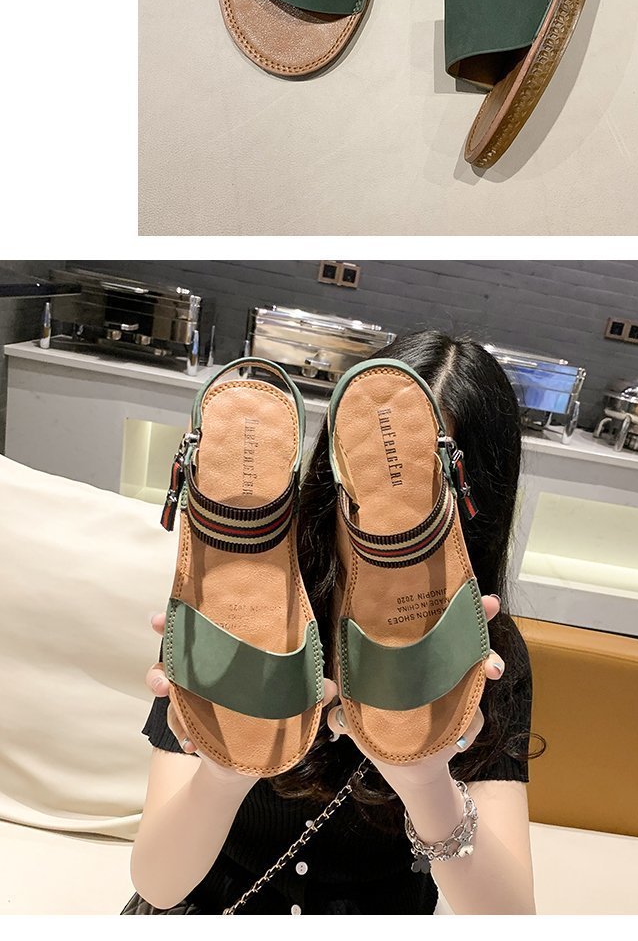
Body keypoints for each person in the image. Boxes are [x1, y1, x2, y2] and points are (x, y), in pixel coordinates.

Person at [129, 331, 539, 915]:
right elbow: (158, 884)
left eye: (421, 492)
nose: (394, 518)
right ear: (337, 465)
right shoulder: (233, 606)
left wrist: (427, 784)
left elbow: (509, 919)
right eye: (378, 474)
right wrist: (223, 774)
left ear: (469, 498)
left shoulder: (489, 654)